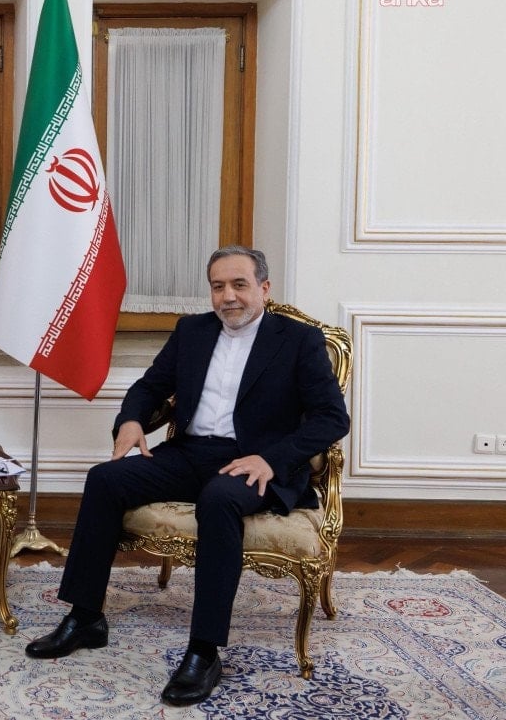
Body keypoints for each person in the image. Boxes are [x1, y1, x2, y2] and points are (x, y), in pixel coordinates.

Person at [25, 245, 350, 706]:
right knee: (104, 479)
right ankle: (85, 617)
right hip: (190, 452)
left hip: (252, 461)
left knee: (219, 499)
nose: (228, 296)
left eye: (239, 285)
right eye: (218, 286)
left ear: (264, 288)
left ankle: (204, 651)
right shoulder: (192, 331)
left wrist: (272, 460)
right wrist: (132, 421)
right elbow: (150, 386)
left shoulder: (299, 339)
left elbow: (331, 418)